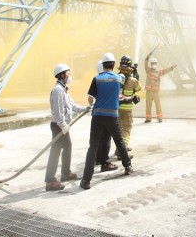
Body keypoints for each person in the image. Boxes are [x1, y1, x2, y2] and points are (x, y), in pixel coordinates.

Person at [80, 53, 133, 190]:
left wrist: (96, 101)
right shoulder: (118, 79)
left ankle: (86, 180)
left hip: (97, 116)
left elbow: (90, 99)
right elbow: (118, 95)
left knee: (93, 147)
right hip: (112, 116)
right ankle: (127, 166)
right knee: (119, 140)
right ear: (114, 64)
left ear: (103, 65)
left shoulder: (96, 79)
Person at [45, 63, 90, 191]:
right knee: (55, 152)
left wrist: (85, 109)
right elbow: (58, 112)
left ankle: (65, 173)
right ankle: (50, 181)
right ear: (61, 75)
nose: (69, 75)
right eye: (67, 73)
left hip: (63, 125)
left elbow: (72, 105)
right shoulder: (58, 91)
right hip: (58, 125)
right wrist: (63, 125)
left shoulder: (63, 89)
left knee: (68, 147)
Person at [144, 48, 177, 123]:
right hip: (149, 92)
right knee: (148, 105)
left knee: (158, 105)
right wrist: (150, 54)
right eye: (152, 63)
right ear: (151, 64)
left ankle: (159, 118)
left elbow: (165, 70)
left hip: (155, 92)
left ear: (156, 64)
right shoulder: (148, 70)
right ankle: (148, 119)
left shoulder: (159, 72)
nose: (154, 65)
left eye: (155, 63)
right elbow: (145, 61)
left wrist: (172, 68)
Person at [117, 55, 141, 152]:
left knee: (119, 130)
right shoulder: (133, 80)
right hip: (127, 110)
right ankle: (122, 151)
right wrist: (136, 77)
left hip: (117, 108)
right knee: (126, 129)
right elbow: (138, 89)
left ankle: (119, 148)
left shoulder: (116, 77)